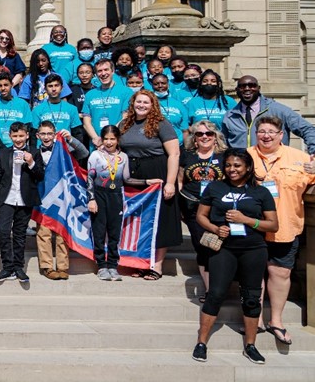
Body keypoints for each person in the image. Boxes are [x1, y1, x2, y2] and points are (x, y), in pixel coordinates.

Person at [193, 148, 279, 365]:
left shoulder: (261, 192)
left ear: (248, 167)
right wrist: (214, 228)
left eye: (237, 165)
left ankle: (250, 345)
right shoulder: (215, 187)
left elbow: (273, 225)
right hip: (224, 249)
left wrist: (247, 220)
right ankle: (201, 343)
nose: (232, 169)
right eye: (229, 165)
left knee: (251, 297)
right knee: (216, 294)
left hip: (253, 249)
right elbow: (200, 216)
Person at [247, 115, 315, 345]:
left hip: (287, 225)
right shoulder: (246, 156)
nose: (266, 136)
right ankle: (253, 318)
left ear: (281, 135)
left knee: (280, 273)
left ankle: (276, 320)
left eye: (271, 132)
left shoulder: (300, 158)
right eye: (261, 132)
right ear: (256, 134)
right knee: (254, 274)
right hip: (253, 227)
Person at [118, 90, 181, 280]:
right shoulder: (125, 123)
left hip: (157, 172)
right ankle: (141, 262)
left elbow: (174, 154)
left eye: (146, 102)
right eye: (139, 102)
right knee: (139, 220)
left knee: (159, 219)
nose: (142, 105)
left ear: (153, 104)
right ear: (133, 103)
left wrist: (170, 183)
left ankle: (157, 265)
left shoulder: (162, 124)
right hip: (134, 176)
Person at [0, 122, 45, 283]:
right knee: (4, 232)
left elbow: (40, 175)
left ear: (27, 135)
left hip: (25, 199)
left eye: (21, 136)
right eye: (15, 136)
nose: (18, 139)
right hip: (6, 198)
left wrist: (31, 162)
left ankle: (18, 267)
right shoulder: (3, 153)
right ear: (10, 137)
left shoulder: (34, 152)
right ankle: (7, 267)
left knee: (20, 235)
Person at [35, 122, 90, 281]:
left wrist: (70, 139)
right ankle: (46, 267)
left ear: (54, 135)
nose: (46, 137)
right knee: (43, 233)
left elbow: (84, 152)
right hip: (43, 198)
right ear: (38, 136)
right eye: (43, 134)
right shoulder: (34, 151)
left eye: (49, 134)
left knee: (61, 232)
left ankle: (62, 266)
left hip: (62, 197)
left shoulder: (64, 149)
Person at [178, 120, 227, 296]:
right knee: (202, 246)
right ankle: (210, 290)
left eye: (209, 134)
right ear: (195, 138)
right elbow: (180, 179)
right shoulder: (187, 154)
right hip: (193, 206)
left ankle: (220, 284)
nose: (204, 137)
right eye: (199, 134)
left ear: (216, 137)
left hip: (218, 207)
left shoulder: (224, 155)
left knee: (219, 247)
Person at [86, 126, 137, 281]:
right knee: (99, 231)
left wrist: (148, 181)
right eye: (106, 139)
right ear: (101, 139)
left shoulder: (124, 157)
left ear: (118, 140)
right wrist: (91, 199)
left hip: (116, 196)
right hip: (99, 195)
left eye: (112, 139)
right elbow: (89, 180)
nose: (109, 142)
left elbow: (127, 179)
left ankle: (113, 265)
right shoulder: (95, 155)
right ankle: (101, 265)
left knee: (114, 232)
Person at [224, 75, 315, 152]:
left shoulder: (279, 110)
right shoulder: (230, 116)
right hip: (241, 169)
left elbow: (307, 129)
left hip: (273, 167)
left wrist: (313, 151)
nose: (247, 89)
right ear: (237, 90)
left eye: (251, 85)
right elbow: (222, 145)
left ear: (258, 88)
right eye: (242, 86)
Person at [82, 59, 134, 147]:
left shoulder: (126, 92)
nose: (103, 73)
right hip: (96, 145)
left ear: (112, 71)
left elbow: (126, 117)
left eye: (106, 70)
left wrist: (108, 138)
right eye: (99, 71)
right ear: (96, 74)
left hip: (117, 142)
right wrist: (96, 138)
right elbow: (86, 122)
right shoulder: (90, 94)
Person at [0, 73, 33, 149]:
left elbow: (28, 127)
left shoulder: (23, 104)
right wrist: (2, 149)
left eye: (6, 85)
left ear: (12, 84)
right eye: (0, 86)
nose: (3, 88)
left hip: (19, 148)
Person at [150, 73, 190, 145]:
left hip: (178, 144)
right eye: (156, 84)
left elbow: (185, 130)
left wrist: (186, 148)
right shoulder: (148, 102)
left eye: (163, 83)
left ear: (168, 85)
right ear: (152, 85)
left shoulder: (178, 104)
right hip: (156, 146)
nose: (160, 86)